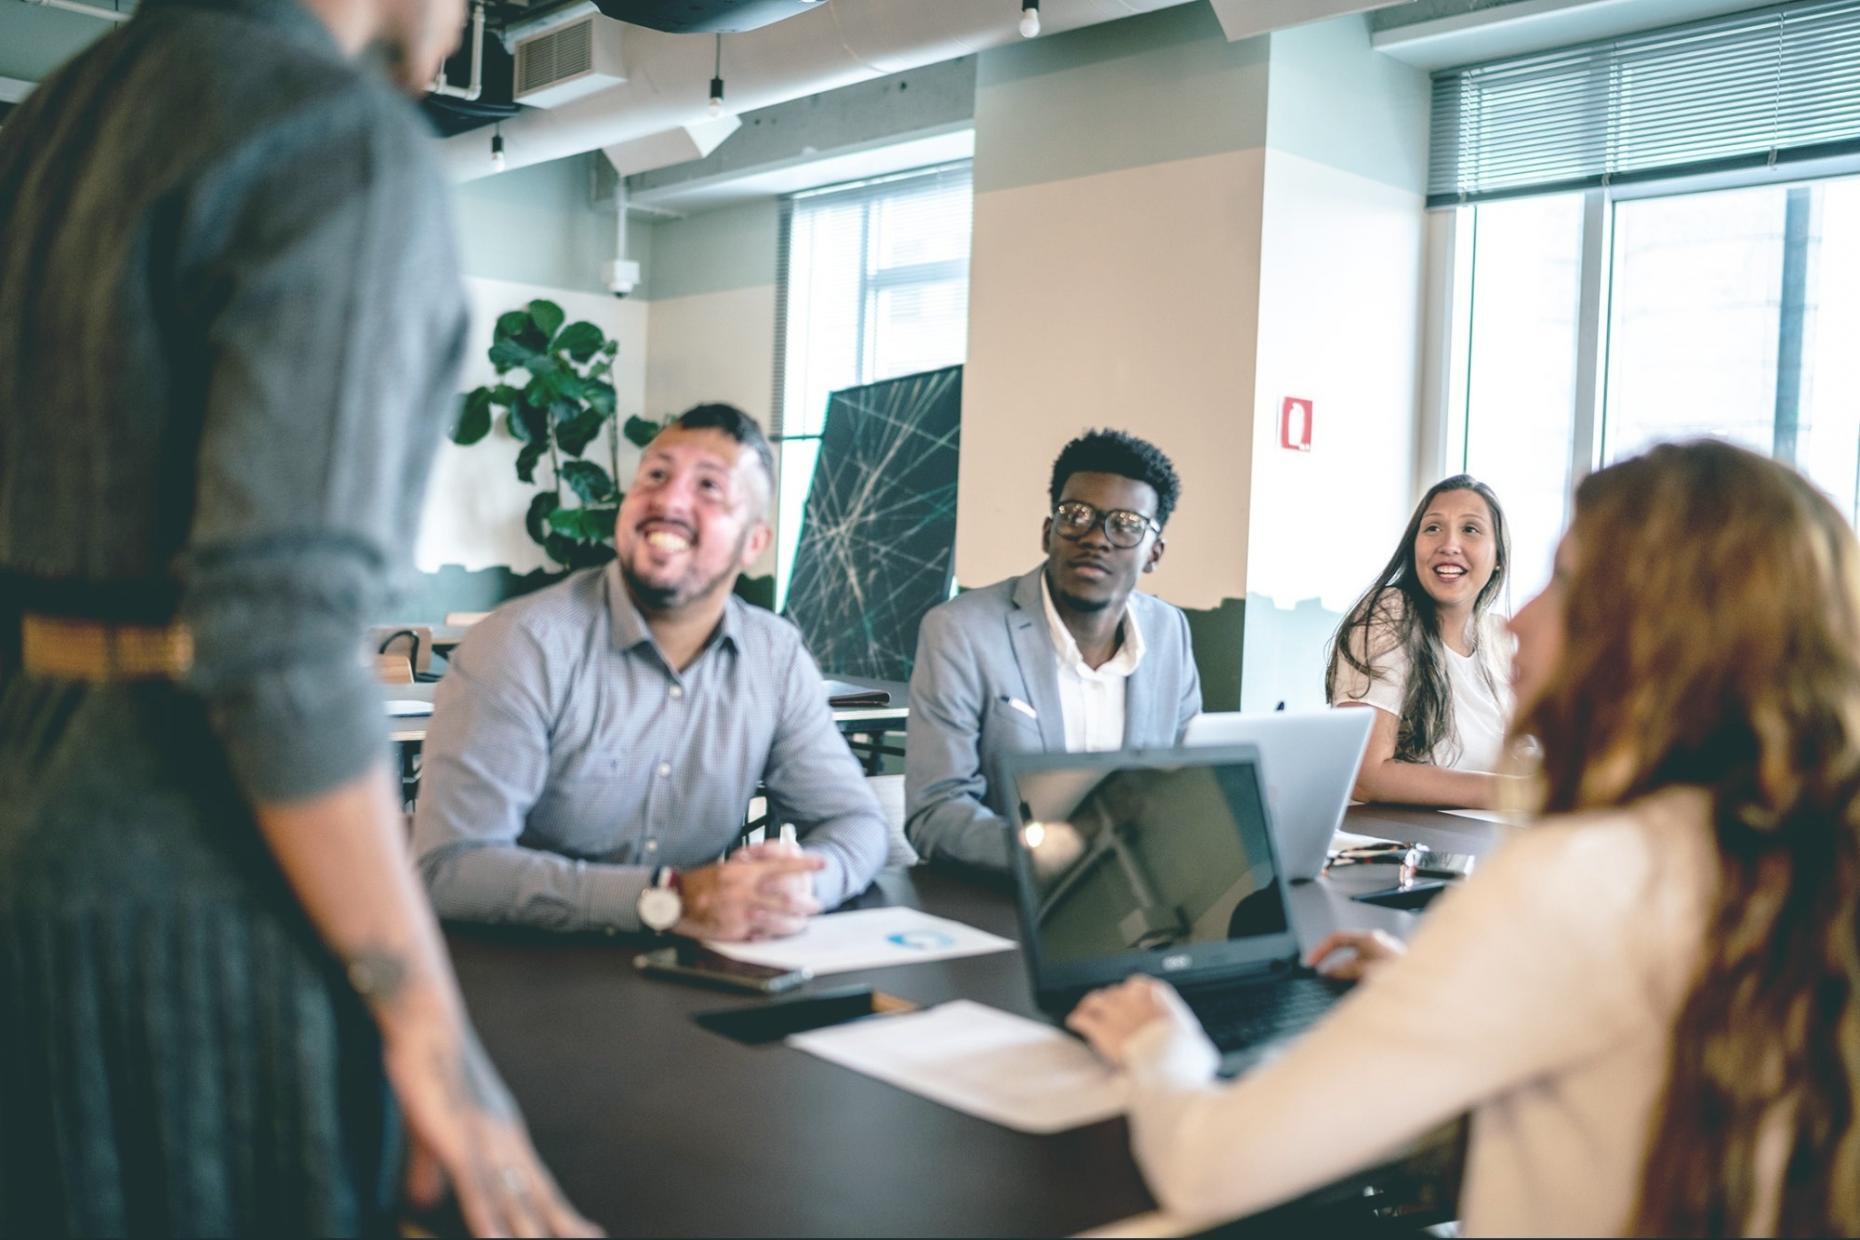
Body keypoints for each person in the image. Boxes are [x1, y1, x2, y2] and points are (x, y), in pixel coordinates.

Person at [0, 0, 593, 1233]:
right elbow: (278, 648)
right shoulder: (342, 139)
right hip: (196, 907)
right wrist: (429, 1021)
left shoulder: (54, 117)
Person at [1068, 439, 1860, 1236]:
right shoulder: (1800, 861)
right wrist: (1448, 985)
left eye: (1570, 581)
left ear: (1664, 634)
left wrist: (1159, 1044)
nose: (1519, 616)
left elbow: (1210, 1166)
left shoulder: (1573, 880)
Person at [413, 405, 887, 938]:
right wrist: (669, 898)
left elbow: (857, 822)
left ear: (754, 543)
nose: (668, 499)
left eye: (709, 486)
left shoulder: (774, 656)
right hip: (520, 966)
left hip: (693, 966)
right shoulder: (524, 645)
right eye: (656, 475)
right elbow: (451, 869)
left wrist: (800, 889)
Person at [906, 429, 1202, 871]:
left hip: (1137, 894)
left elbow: (1188, 782)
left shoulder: (1168, 632)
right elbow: (935, 812)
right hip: (1001, 897)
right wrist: (1051, 852)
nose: (1096, 538)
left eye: (1126, 525)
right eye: (1076, 515)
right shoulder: (961, 632)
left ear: (1154, 553)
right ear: (1049, 532)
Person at [1326, 474, 1513, 809]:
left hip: (1475, 849)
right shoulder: (1389, 614)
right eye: (1433, 528)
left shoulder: (1498, 638)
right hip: (1399, 852)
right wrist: (1514, 793)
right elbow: (1365, 776)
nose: (1449, 544)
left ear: (1498, 556)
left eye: (1470, 529)